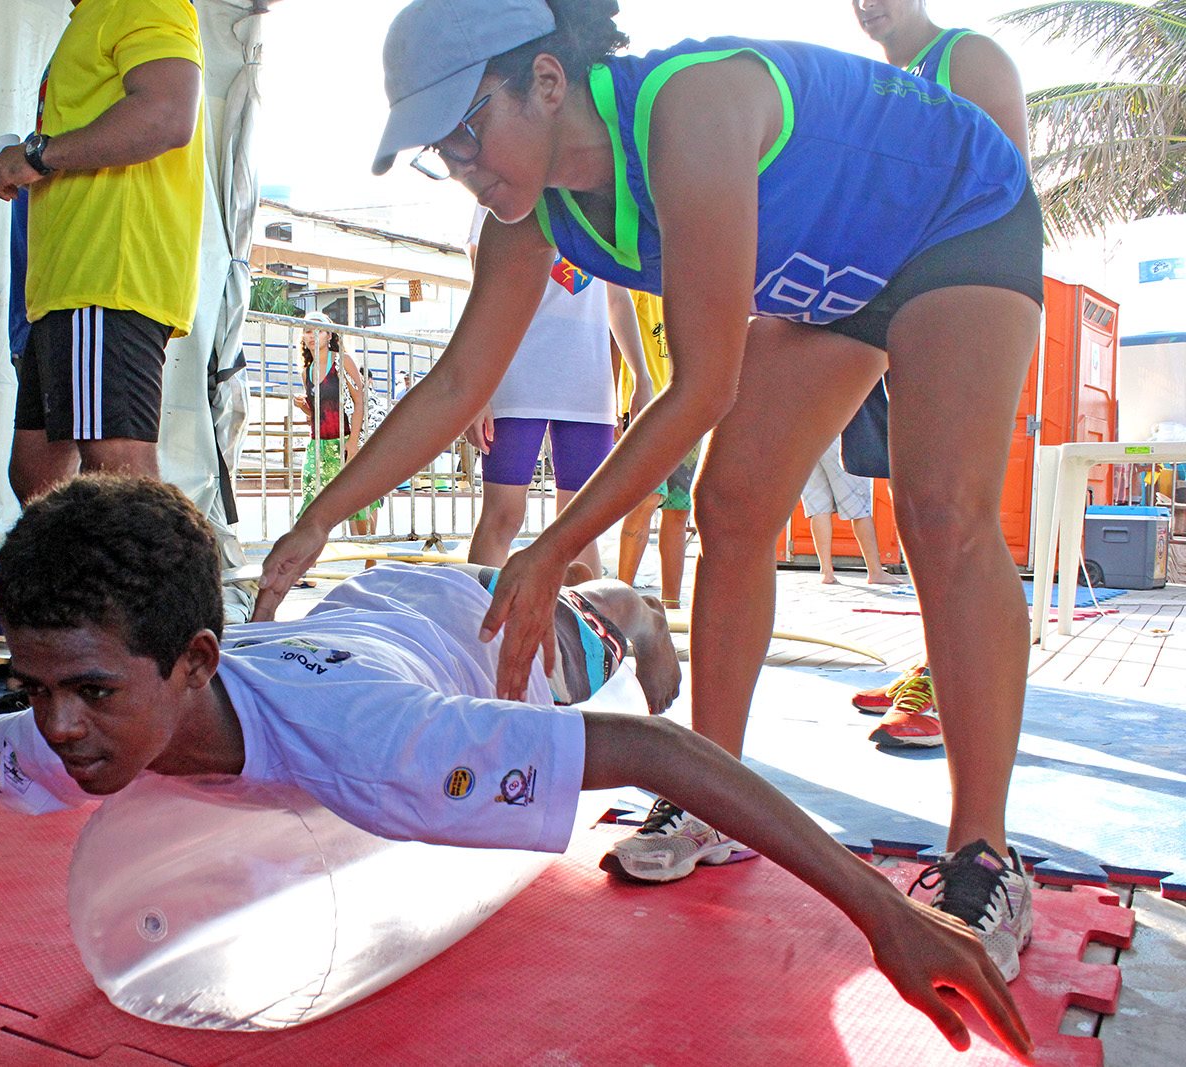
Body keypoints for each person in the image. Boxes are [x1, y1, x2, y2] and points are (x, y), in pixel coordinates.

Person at [254, 0, 1044, 980]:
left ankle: (983, 856)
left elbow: (703, 385)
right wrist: (316, 517)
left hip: (954, 214)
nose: (463, 163)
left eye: (468, 128)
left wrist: (549, 552)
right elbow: (459, 383)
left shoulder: (688, 110)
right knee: (731, 506)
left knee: (940, 508)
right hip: (835, 282)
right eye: (439, 149)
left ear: (545, 82)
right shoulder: (523, 210)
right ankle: (717, 794)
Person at [0, 475, 1030, 1061]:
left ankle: (619, 598)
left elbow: (653, 750)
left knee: (575, 648)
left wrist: (883, 911)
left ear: (191, 662)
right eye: (37, 686)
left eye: (89, 691)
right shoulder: (75, 720)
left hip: (453, 645)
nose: (59, 726)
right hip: (348, 624)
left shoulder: (386, 759)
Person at [843, 0, 1033, 749]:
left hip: (960, 303)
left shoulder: (968, 57)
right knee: (915, 510)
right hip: (890, 306)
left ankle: (957, 691)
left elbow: (1007, 200)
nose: (868, 2)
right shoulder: (869, 86)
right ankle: (936, 660)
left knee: (957, 514)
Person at [0, 0, 206, 490]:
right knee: (37, 476)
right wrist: (18, 161)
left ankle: (149, 570)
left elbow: (165, 114)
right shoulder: (90, 19)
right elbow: (95, 139)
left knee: (117, 477)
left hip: (106, 277)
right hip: (64, 285)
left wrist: (36, 154)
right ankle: (70, 570)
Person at [462, 206, 651, 576]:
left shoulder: (601, 197)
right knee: (503, 516)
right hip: (517, 372)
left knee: (580, 529)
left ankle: (583, 632)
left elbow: (616, 298)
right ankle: (477, 627)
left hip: (588, 379)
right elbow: (482, 294)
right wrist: (478, 390)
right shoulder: (499, 193)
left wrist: (641, 376)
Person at [614, 292, 697, 607]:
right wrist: (613, 405)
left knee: (679, 506)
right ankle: (620, 596)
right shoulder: (640, 278)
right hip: (645, 406)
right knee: (646, 499)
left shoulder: (696, 281)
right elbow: (614, 334)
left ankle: (671, 602)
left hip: (689, 407)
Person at [293, 312, 379, 536]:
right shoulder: (307, 372)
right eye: (308, 331)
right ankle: (307, 562)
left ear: (329, 335)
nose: (312, 335)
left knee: (358, 502)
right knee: (311, 500)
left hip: (346, 439)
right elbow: (318, 414)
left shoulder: (342, 360)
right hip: (318, 445)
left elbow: (359, 402)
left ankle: (369, 557)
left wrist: (353, 442)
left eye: (318, 330)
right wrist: (305, 408)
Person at [801, 438, 904, 587]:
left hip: (809, 439)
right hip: (839, 437)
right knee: (859, 508)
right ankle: (875, 572)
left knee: (819, 508)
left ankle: (826, 572)